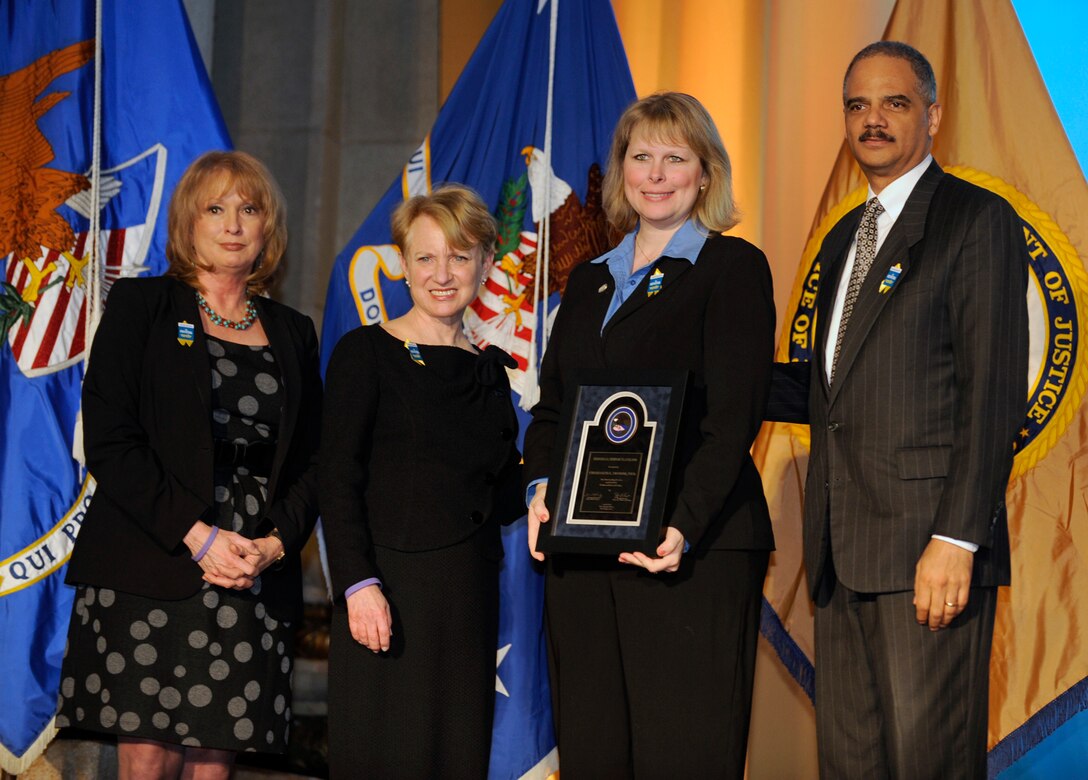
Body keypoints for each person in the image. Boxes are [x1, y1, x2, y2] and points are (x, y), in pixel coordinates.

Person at [780, 42, 1028, 778]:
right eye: (857, 106)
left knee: (930, 764)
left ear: (934, 116)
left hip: (928, 555)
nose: (873, 121)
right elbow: (831, 394)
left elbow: (992, 395)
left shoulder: (975, 220)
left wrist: (957, 538)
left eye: (895, 103)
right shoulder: (840, 241)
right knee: (852, 767)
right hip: (842, 552)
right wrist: (700, 376)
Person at [523, 92, 776, 778]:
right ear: (622, 170)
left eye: (676, 158)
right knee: (595, 753)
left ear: (705, 174)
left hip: (690, 551)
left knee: (681, 755)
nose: (656, 174)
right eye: (642, 158)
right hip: (580, 552)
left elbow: (733, 419)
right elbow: (553, 410)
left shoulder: (732, 268)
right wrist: (543, 491)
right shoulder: (586, 282)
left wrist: (683, 526)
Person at [56, 151, 322, 779]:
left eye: (249, 209)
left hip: (251, 567)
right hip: (156, 555)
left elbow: (316, 461)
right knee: (147, 759)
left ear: (268, 229)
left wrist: (274, 546)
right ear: (188, 223)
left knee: (216, 761)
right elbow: (113, 442)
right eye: (216, 208)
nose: (233, 223)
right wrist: (198, 536)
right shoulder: (142, 307)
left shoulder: (293, 331)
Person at [320, 184, 522, 778]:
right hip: (387, 596)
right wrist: (358, 585)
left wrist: (560, 465)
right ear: (402, 264)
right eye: (426, 257)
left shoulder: (490, 371)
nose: (443, 273)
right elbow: (337, 476)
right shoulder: (366, 353)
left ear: (486, 265)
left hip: (467, 601)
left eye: (460, 257)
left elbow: (498, 497)